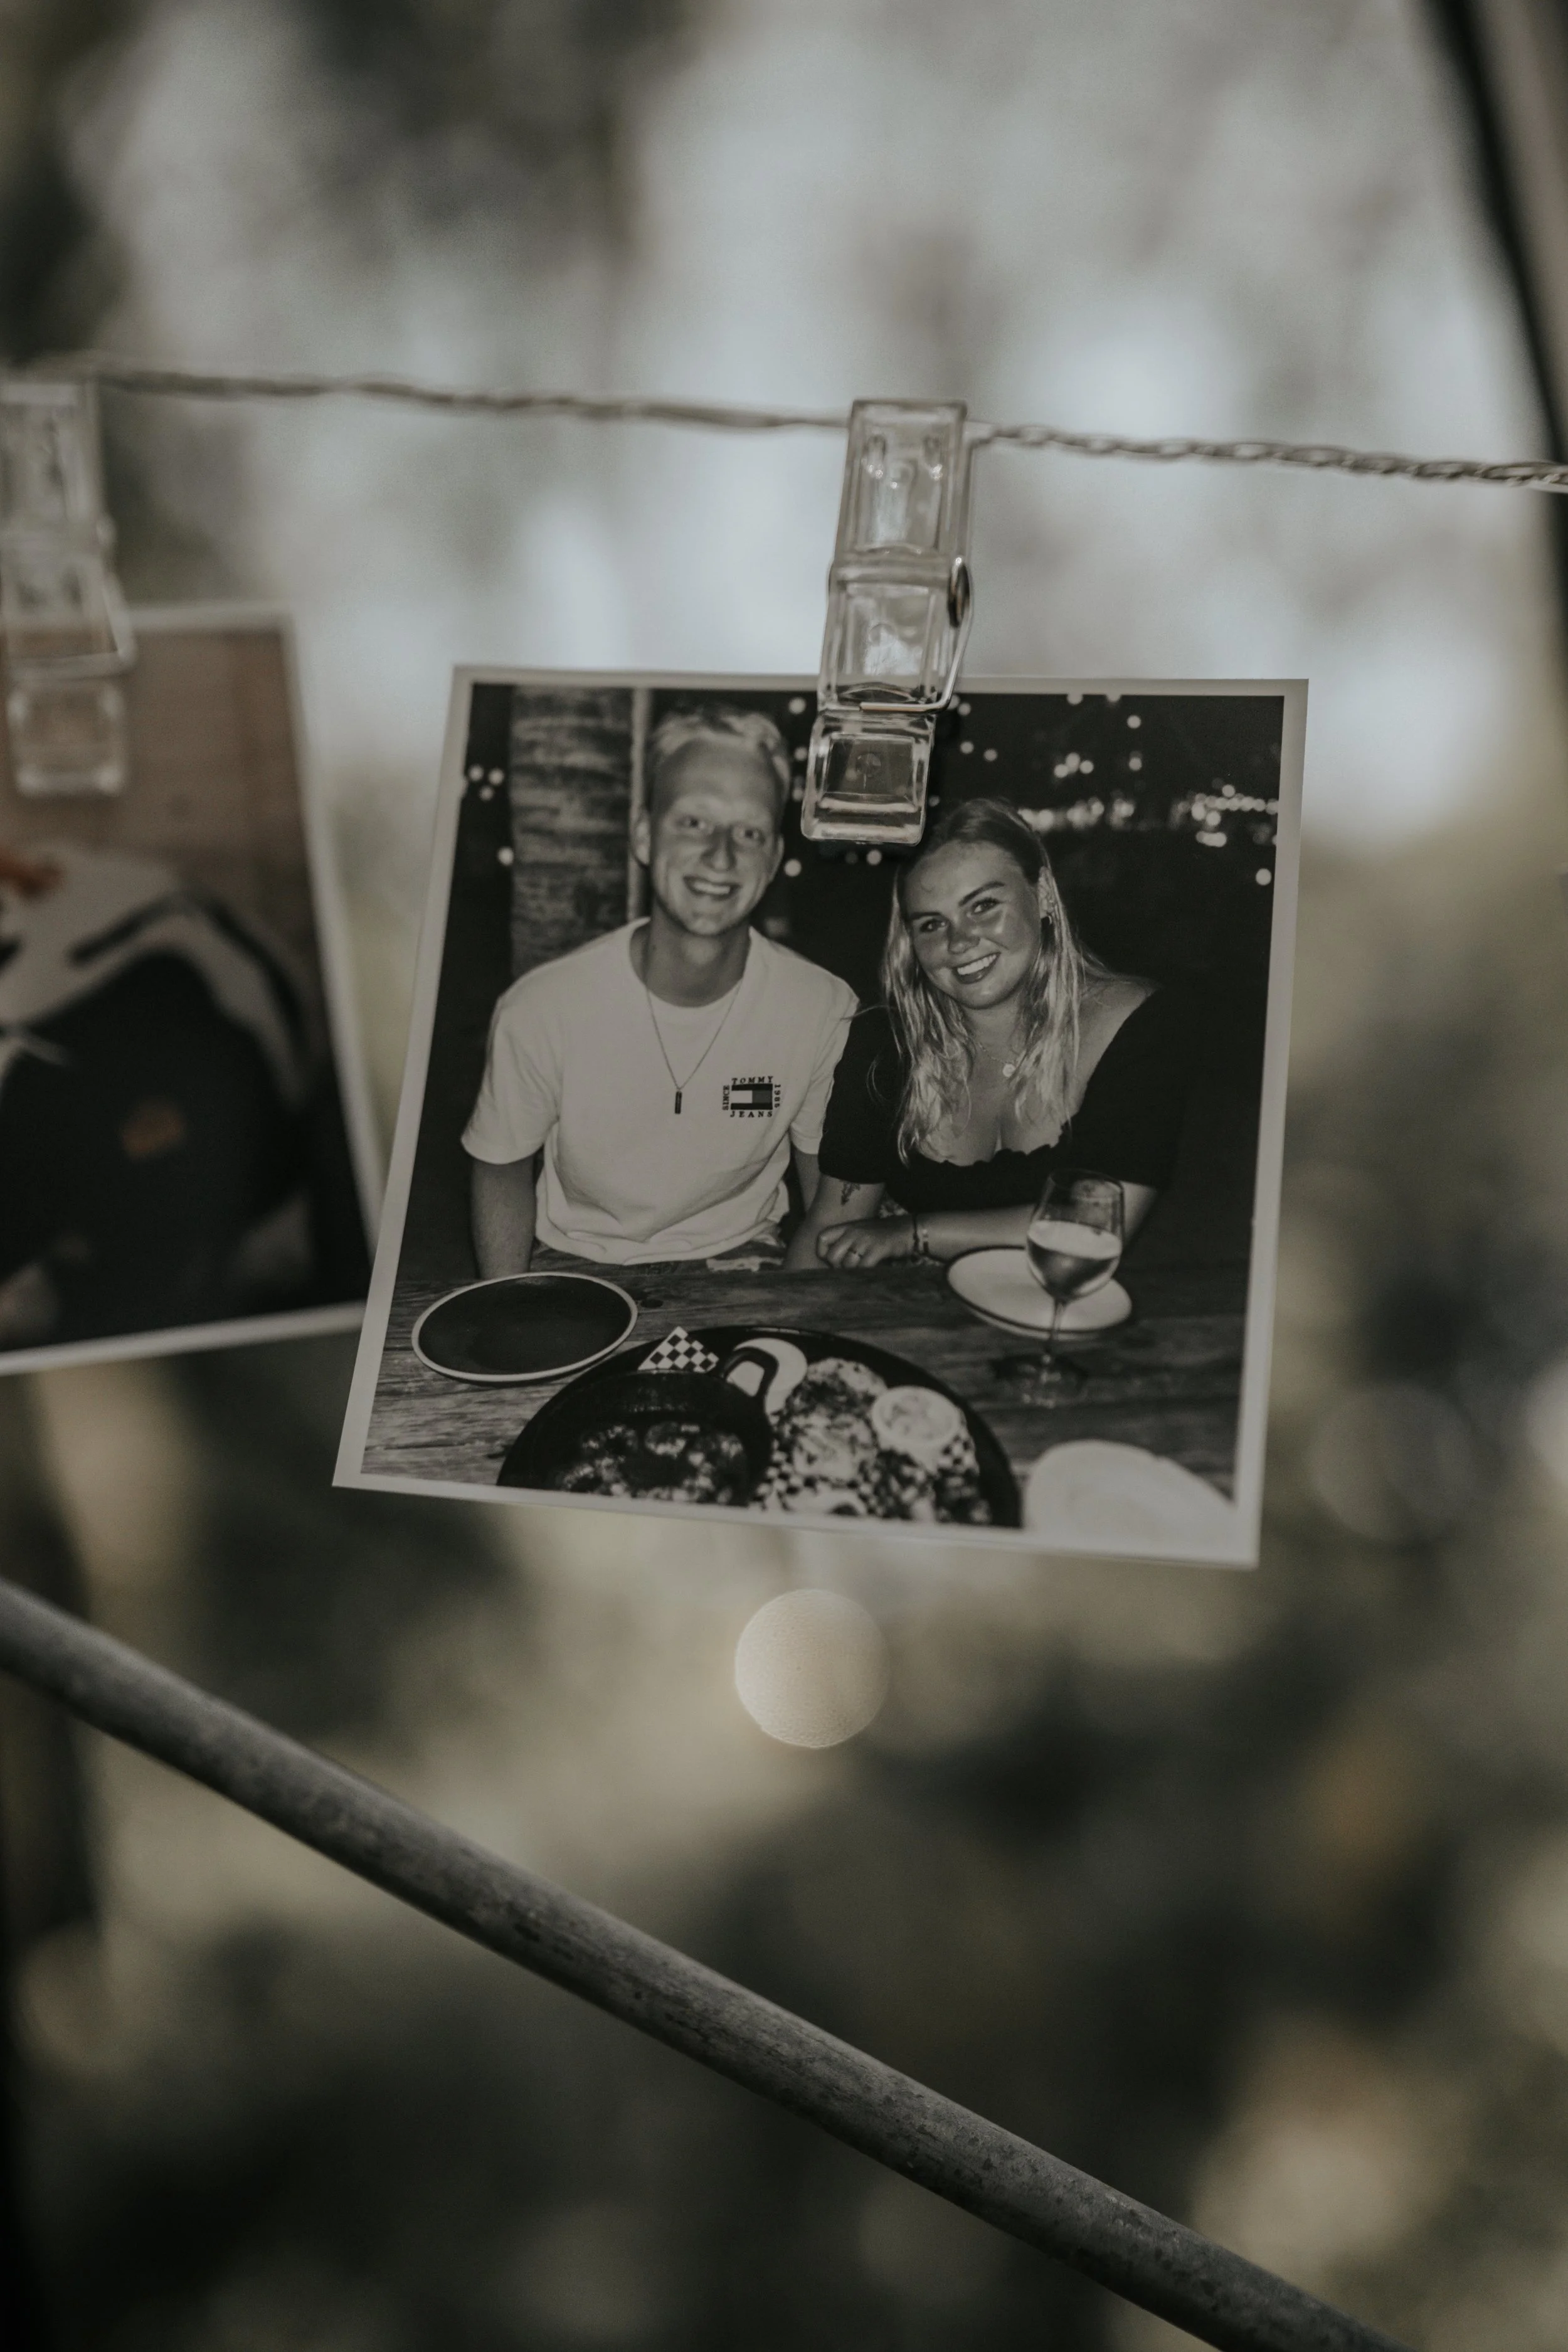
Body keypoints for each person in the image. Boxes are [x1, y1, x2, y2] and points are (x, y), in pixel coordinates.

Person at [466, 706, 857, 1270]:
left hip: (743, 1259)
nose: (721, 855)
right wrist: (506, 1310)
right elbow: (500, 1167)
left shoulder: (822, 1009)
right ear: (646, 836)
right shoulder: (542, 1008)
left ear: (772, 858)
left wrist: (797, 1313)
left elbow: (829, 1196)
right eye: (694, 822)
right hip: (576, 1261)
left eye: (749, 832)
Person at [784, 796, 1198, 1271]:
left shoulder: (1136, 1025)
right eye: (933, 924)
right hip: (907, 1308)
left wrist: (913, 1235)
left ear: (1041, 893)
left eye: (983, 906)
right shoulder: (885, 1042)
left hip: (1057, 1303)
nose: (959, 942)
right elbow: (830, 1226)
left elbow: (1095, 1228)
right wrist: (773, 1335)